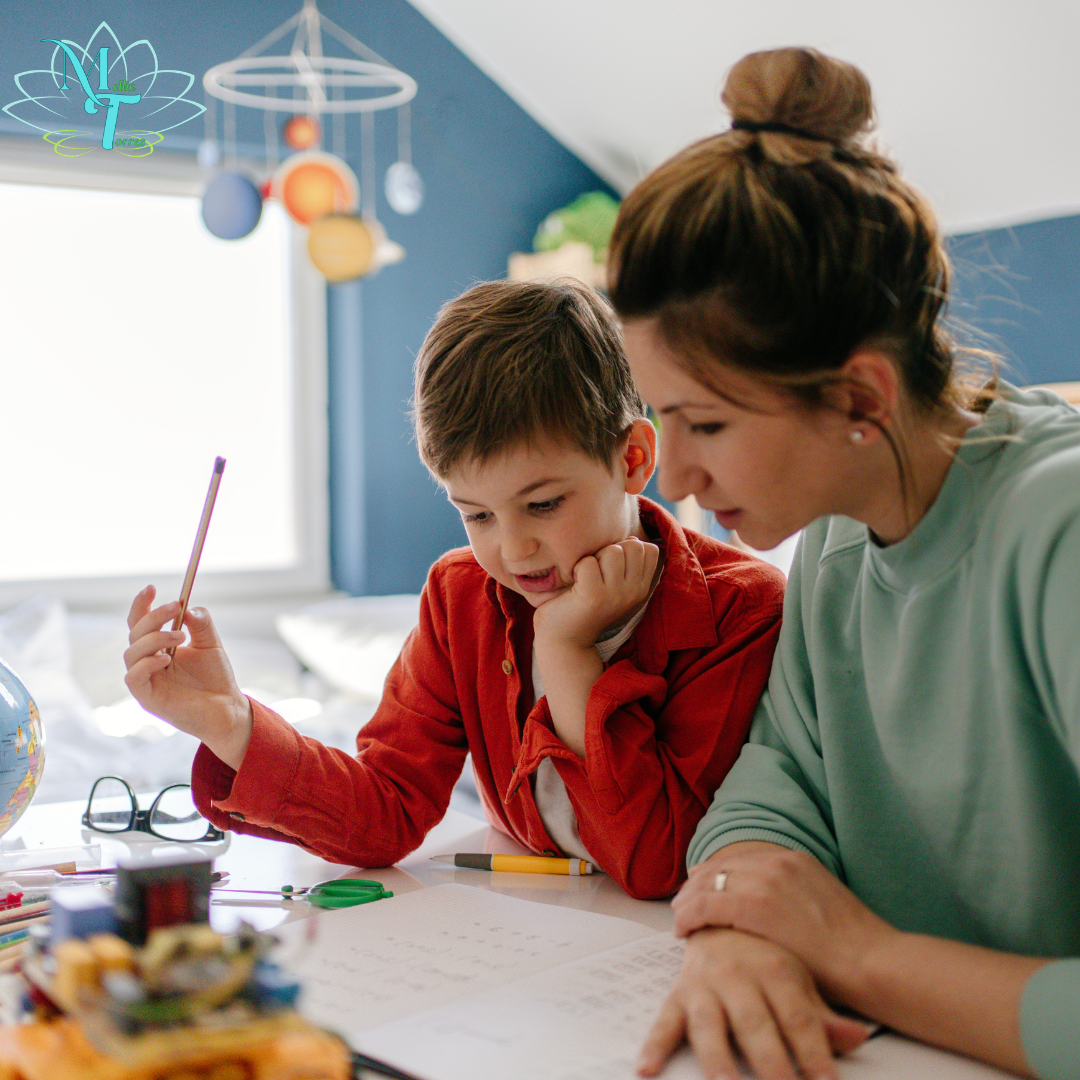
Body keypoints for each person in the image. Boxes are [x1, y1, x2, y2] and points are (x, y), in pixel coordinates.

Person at [605, 46, 1080, 1080]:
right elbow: (773, 785)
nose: (673, 473)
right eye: (659, 419)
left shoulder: (1061, 535)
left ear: (859, 399)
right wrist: (737, 931)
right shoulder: (832, 537)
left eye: (707, 423)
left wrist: (856, 953)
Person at [123, 279, 785, 901]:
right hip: (525, 940)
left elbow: (657, 862)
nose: (513, 549)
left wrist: (566, 654)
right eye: (477, 515)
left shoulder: (742, 609)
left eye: (545, 504)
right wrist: (230, 723)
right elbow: (387, 811)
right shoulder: (460, 595)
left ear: (634, 458)